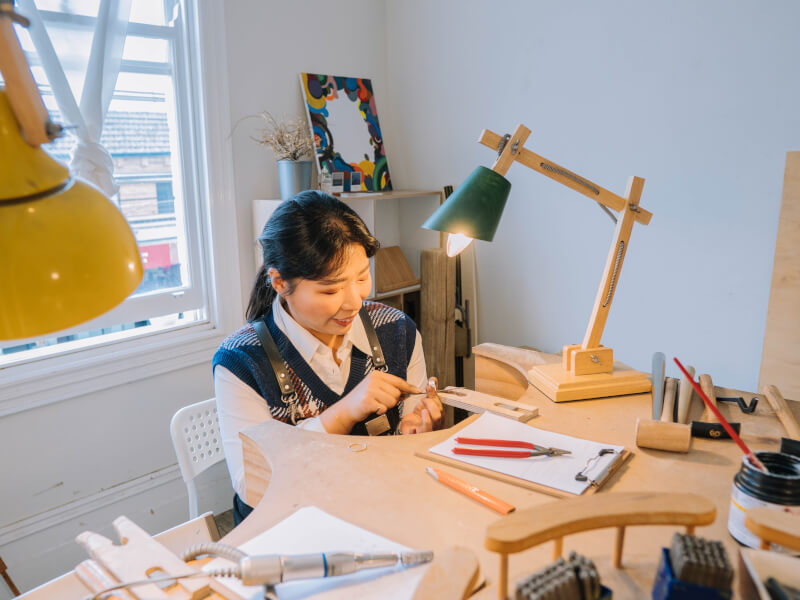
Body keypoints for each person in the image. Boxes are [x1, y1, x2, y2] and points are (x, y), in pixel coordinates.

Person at [213, 190, 444, 524]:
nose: (354, 301)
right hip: (288, 530)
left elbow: (406, 448)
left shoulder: (395, 329)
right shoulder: (242, 360)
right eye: (331, 289)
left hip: (378, 512)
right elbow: (254, 487)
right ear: (279, 282)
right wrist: (345, 411)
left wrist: (415, 433)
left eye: (362, 277)